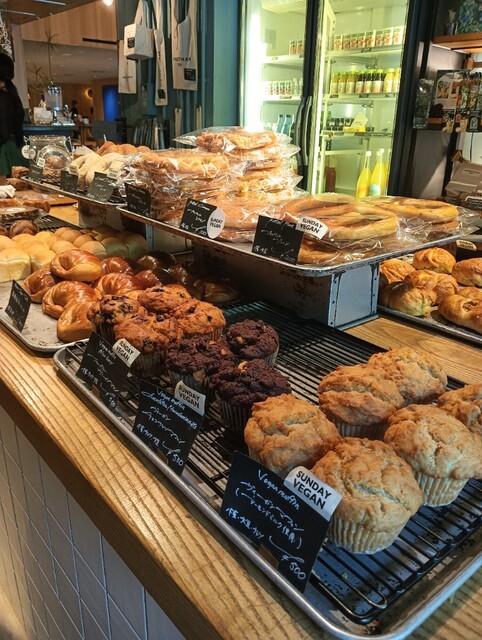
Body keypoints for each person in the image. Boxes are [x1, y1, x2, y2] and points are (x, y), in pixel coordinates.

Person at [0, 53, 28, 176]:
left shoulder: (3, 97)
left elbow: (3, 130)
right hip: (15, 148)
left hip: (3, 152)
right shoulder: (12, 93)